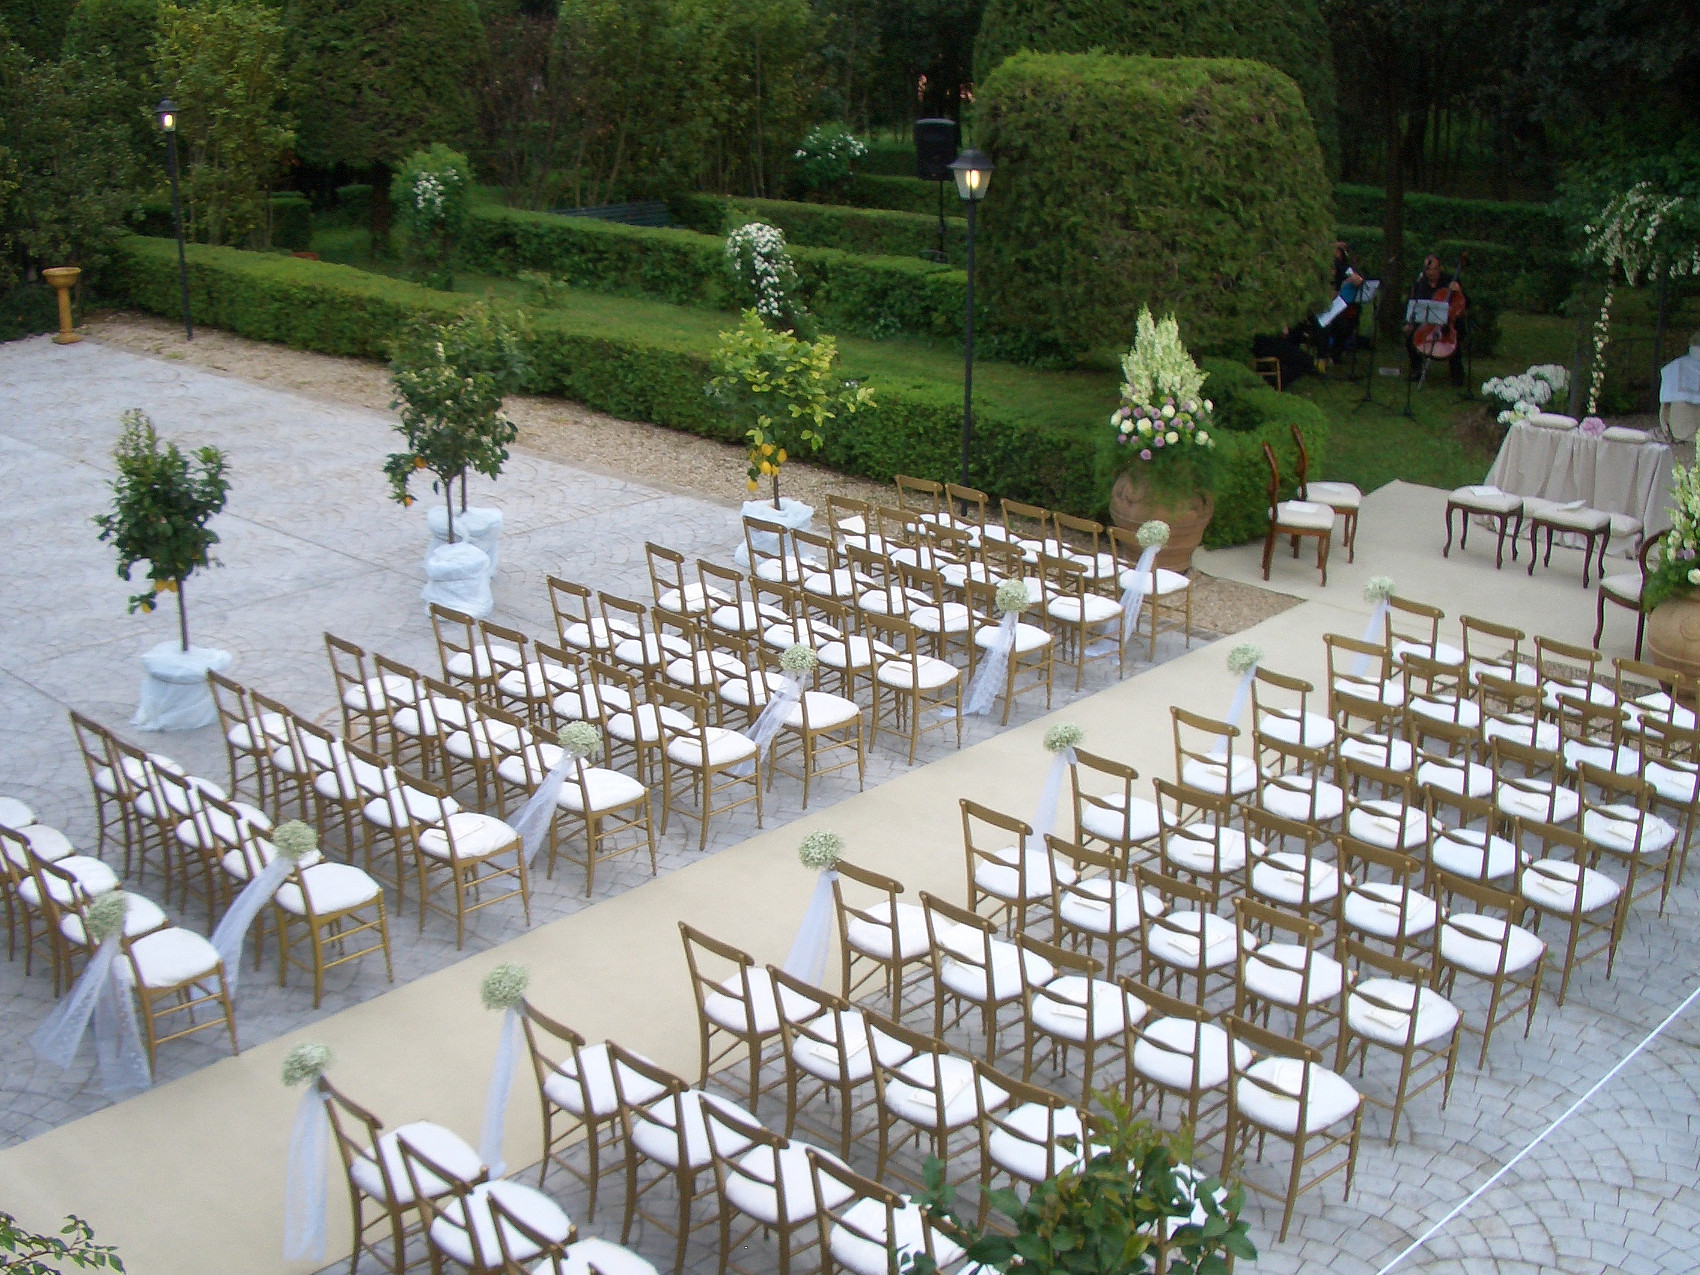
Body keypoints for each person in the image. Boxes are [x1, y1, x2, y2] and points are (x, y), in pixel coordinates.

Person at [1404, 253, 1466, 386]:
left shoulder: (1450, 281)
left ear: (1440, 268)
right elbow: (1413, 305)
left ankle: (1457, 374)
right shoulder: (1420, 284)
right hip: (1428, 322)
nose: (1431, 272)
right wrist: (1409, 323)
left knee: (1455, 337)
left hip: (1448, 321)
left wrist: (1459, 290)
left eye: (1434, 269)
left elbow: (1465, 303)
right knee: (1410, 337)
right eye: (1428, 269)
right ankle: (1416, 369)